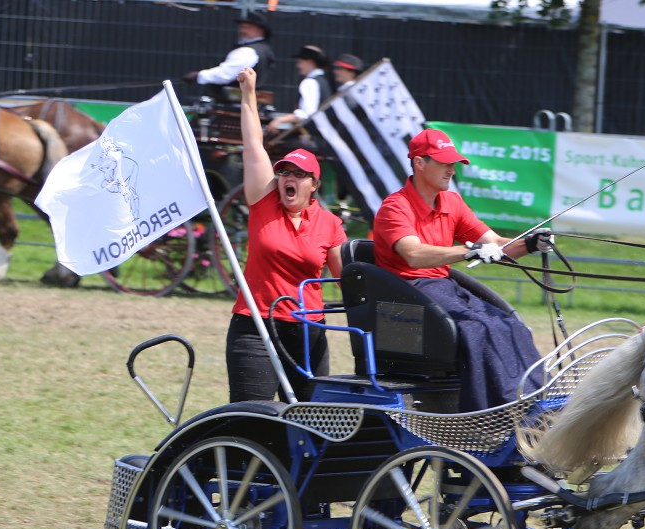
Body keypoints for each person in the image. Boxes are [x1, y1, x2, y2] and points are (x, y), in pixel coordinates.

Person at [373, 128, 553, 413]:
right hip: (409, 296)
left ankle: (540, 396)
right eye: (444, 162)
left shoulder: (452, 202)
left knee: (510, 323)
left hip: (443, 290)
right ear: (419, 163)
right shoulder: (395, 207)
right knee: (479, 328)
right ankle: (496, 409)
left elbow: (494, 243)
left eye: (453, 163)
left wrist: (530, 244)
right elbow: (414, 254)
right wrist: (468, 251)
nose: (452, 169)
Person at [225, 66, 347, 403]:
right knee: (255, 420)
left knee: (311, 424)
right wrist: (248, 92)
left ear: (314, 184)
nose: (287, 178)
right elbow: (253, 146)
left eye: (298, 174)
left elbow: (347, 281)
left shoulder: (330, 224)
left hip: (308, 332)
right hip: (256, 326)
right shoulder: (264, 203)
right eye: (284, 173)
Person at [183, 10, 276, 90]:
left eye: (248, 27)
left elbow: (226, 74)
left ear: (261, 30)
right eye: (242, 27)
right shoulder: (264, 49)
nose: (243, 30)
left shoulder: (248, 51)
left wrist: (199, 76)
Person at [266, 44, 332, 134]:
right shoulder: (324, 81)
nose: (298, 65)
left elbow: (307, 114)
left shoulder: (309, 82)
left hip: (312, 135)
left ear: (310, 62)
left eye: (300, 61)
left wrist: (280, 119)